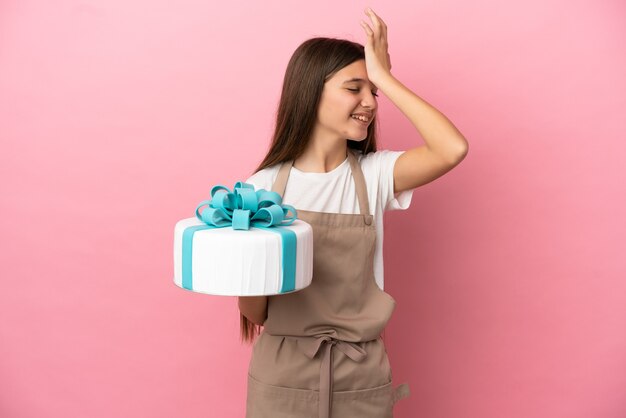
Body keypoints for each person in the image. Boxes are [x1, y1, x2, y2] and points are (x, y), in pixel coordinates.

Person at [238, 8, 468, 418]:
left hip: (361, 377)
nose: (370, 102)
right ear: (311, 91)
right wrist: (250, 256)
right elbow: (255, 312)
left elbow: (451, 148)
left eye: (373, 92)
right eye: (354, 88)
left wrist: (387, 79)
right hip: (282, 378)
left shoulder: (375, 175)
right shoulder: (262, 188)